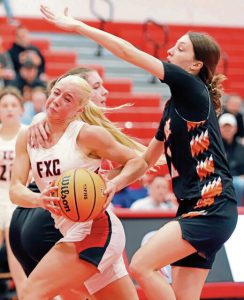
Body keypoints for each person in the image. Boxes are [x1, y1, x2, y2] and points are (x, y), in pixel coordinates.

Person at [40, 6, 238, 300]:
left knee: (142, 265)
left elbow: (128, 51)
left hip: (211, 206)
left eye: (180, 47)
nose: (170, 49)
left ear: (196, 65)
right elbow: (146, 159)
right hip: (199, 207)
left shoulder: (191, 87)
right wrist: (113, 184)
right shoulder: (174, 107)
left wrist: (78, 26)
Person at [10, 74, 147, 300]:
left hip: (95, 229)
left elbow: (137, 161)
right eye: (56, 93)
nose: (56, 100)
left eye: (67, 99)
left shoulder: (86, 135)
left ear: (79, 109)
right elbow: (15, 189)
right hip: (67, 228)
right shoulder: (28, 135)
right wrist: (38, 200)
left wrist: (114, 183)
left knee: (31, 294)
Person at [0, 87, 27, 298]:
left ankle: (23, 294)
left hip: (18, 196)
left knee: (15, 260)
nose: (9, 109)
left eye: (13, 105)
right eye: (4, 105)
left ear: (21, 109)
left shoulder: (28, 133)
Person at [219, 113, 244, 206]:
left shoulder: (241, 148)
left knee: (239, 183)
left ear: (235, 128)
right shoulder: (214, 147)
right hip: (219, 179)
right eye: (224, 127)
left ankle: (238, 211)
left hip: (238, 179)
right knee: (236, 183)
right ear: (219, 128)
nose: (227, 130)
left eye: (229, 127)